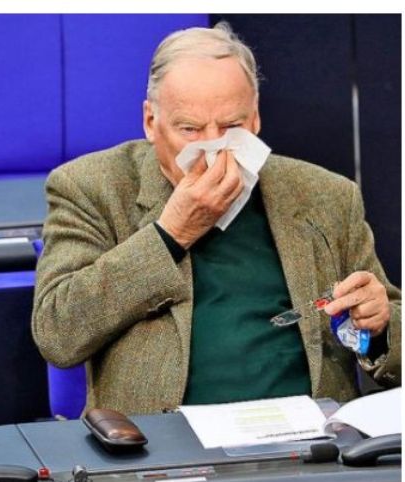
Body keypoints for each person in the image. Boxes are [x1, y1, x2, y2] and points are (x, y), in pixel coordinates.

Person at [31, 23, 400, 415]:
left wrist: (380, 326)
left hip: (312, 443)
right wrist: (170, 234)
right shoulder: (92, 188)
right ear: (150, 122)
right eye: (189, 129)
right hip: (165, 453)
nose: (212, 147)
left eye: (232, 127)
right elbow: (58, 333)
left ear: (255, 119)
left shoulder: (325, 195)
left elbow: (391, 330)